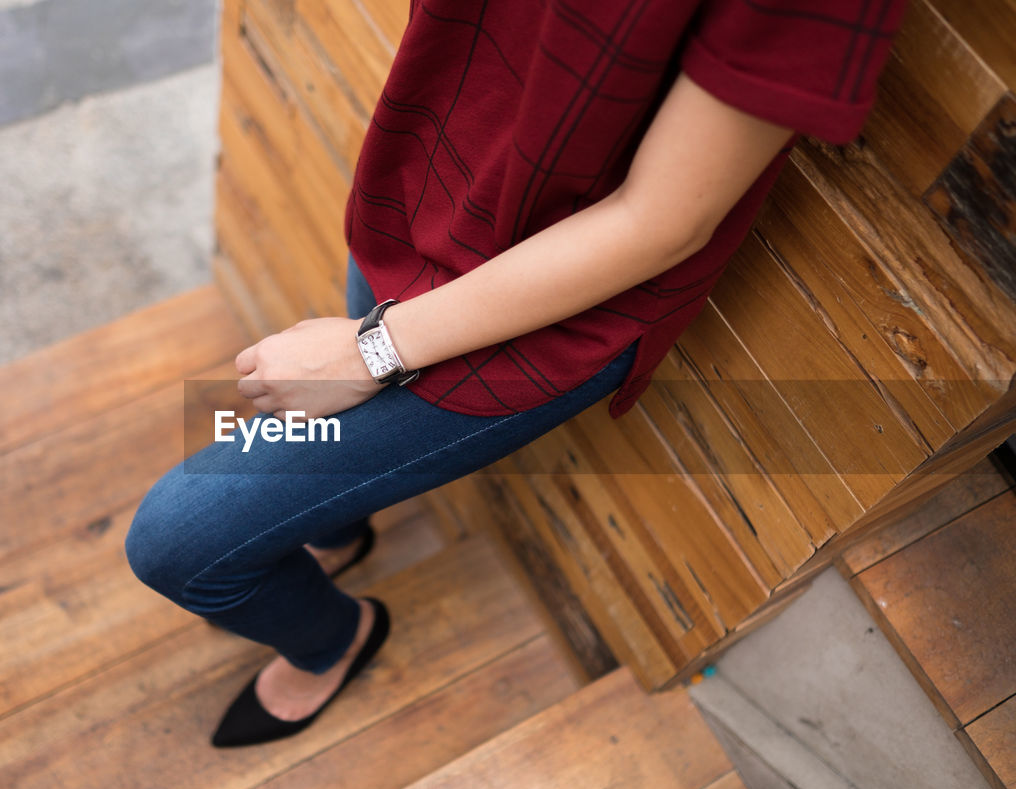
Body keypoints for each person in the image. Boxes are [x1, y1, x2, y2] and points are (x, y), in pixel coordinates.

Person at [125, 0, 907, 747]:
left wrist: (372, 349)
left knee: (177, 543)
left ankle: (334, 640)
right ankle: (334, 529)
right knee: (305, 482)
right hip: (427, 188)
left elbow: (662, 221)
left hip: (557, 305)